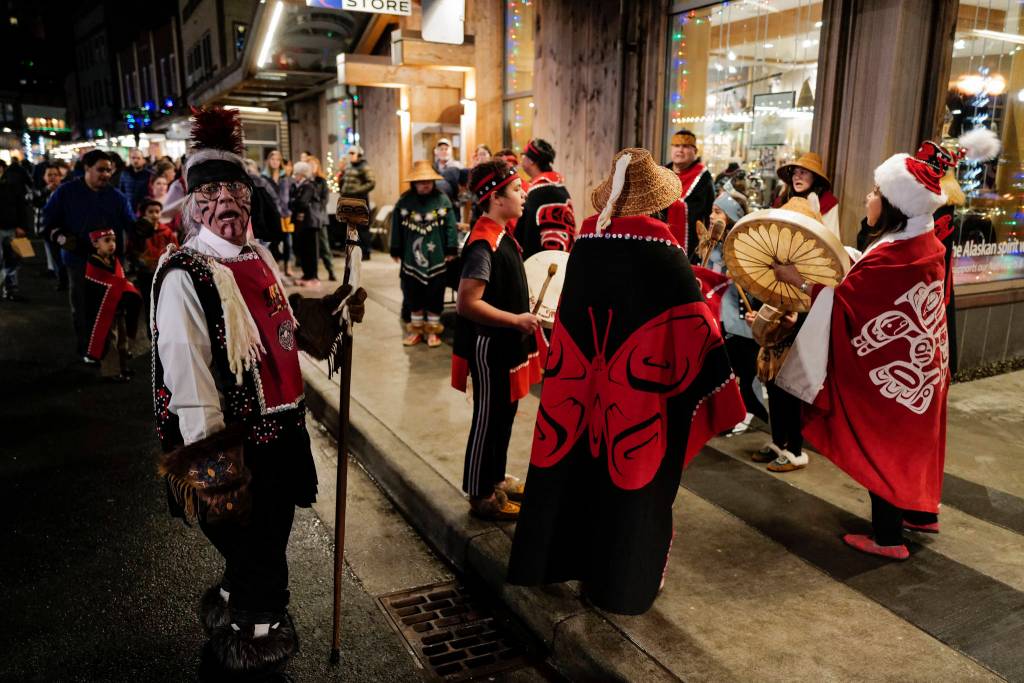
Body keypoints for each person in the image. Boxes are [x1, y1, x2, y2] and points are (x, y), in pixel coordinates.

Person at [507, 148, 746, 615]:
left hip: (580, 389)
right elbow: (697, 324)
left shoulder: (589, 239)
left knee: (579, 473)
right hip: (638, 395)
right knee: (636, 480)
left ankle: (567, 560)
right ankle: (620, 584)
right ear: (657, 202)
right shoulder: (662, 249)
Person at [151, 106, 321, 679]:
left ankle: (231, 597)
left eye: (236, 192)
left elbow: (280, 326)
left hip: (283, 430)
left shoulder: (258, 255)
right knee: (260, 547)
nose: (227, 204)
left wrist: (322, 325)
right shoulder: (185, 274)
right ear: (192, 203)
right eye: (212, 194)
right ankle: (256, 633)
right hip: (239, 443)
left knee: (266, 538)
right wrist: (215, 464)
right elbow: (188, 375)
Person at [773, 145, 951, 561]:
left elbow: (846, 304)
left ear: (894, 205)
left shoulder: (893, 254)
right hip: (923, 367)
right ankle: (920, 512)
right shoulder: (922, 243)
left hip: (890, 374)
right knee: (915, 442)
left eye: (875, 192)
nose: (869, 198)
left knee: (881, 441)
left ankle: (888, 538)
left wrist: (799, 280)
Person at [451, 159, 544, 520]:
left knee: (504, 414)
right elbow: (468, 303)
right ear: (496, 197)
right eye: (517, 190)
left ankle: (494, 478)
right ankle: (479, 493)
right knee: (488, 418)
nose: (523, 195)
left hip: (506, 343)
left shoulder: (502, 234)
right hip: (490, 346)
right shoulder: (482, 241)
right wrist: (515, 318)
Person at [42, 150, 136, 360]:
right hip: (78, 262)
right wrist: (61, 238)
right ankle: (88, 350)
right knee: (83, 308)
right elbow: (48, 223)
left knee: (113, 307)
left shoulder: (117, 197)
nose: (105, 175)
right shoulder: (66, 192)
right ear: (86, 168)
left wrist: (145, 230)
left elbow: (132, 225)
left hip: (110, 263)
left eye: (109, 171)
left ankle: (112, 348)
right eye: (100, 170)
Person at [702, 192, 769, 427]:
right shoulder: (710, 244)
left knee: (745, 372)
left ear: (731, 216)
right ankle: (725, 416)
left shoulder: (744, 247)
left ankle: (749, 412)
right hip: (715, 318)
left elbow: (757, 285)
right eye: (711, 210)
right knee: (722, 373)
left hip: (739, 321)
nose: (711, 216)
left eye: (718, 211)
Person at [390, 161, 459, 348]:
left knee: (435, 294)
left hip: (437, 258)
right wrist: (395, 248)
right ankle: (416, 330)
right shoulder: (404, 202)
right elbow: (396, 227)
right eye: (421, 181)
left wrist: (451, 248)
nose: (425, 184)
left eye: (428, 180)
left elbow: (451, 226)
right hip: (411, 260)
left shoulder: (443, 200)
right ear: (414, 183)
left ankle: (432, 332)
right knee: (412, 294)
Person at [84, 227, 140, 380]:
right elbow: (96, 291)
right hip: (105, 312)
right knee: (110, 343)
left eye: (114, 240)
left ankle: (123, 367)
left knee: (122, 340)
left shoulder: (114, 261)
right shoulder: (93, 264)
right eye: (107, 240)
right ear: (95, 244)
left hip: (118, 308)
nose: (112, 244)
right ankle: (112, 372)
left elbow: (121, 283)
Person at [515, 138, 576, 258]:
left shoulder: (537, 193)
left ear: (531, 160)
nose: (522, 160)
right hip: (563, 261)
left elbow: (525, 235)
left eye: (524, 156)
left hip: (540, 265)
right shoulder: (561, 189)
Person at [128, 198, 179, 329]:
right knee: (149, 305)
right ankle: (152, 337)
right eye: (150, 211)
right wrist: (140, 261)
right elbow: (131, 252)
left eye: (157, 211)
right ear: (144, 214)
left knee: (165, 304)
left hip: (163, 274)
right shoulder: (138, 233)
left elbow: (176, 250)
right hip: (145, 275)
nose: (154, 215)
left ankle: (165, 334)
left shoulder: (166, 232)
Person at [665, 129, 714, 259]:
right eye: (676, 145)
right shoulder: (662, 174)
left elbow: (709, 213)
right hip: (661, 241)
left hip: (691, 249)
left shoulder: (703, 178)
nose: (680, 150)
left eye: (686, 146)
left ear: (695, 151)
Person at [773, 152, 840, 237]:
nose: (797, 177)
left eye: (803, 172)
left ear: (814, 177)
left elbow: (832, 238)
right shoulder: (783, 199)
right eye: (794, 173)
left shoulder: (827, 201)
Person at [35, 162, 68, 290]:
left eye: (55, 175)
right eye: (49, 175)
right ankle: (62, 281)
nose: (52, 177)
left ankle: (70, 281)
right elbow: (30, 199)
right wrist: (46, 190)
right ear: (44, 177)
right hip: (48, 232)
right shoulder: (42, 192)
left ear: (61, 177)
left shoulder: (65, 192)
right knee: (57, 259)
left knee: (67, 257)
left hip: (64, 231)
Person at [339, 145, 376, 260]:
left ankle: (366, 252)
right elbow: (344, 180)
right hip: (348, 200)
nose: (350, 156)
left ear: (359, 155)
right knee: (351, 226)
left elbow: (371, 182)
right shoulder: (349, 166)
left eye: (352, 153)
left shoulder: (364, 166)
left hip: (360, 200)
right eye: (349, 153)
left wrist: (357, 190)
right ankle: (353, 251)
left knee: (362, 227)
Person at [289, 161, 322, 287]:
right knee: (303, 250)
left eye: (296, 174)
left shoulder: (308, 186)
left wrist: (294, 202)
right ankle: (306, 275)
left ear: (302, 174)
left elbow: (302, 203)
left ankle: (312, 277)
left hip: (310, 222)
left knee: (310, 251)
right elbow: (292, 203)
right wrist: (294, 202)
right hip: (302, 223)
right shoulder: (300, 186)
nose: (294, 176)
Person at [264, 149, 294, 275]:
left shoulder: (285, 178)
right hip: (271, 214)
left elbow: (290, 196)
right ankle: (273, 267)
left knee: (288, 242)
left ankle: (288, 266)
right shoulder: (264, 177)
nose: (275, 162)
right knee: (273, 242)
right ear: (268, 161)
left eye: (277, 159)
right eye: (273, 159)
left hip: (286, 214)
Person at [306, 156, 337, 281]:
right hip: (309, 219)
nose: (312, 167)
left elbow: (325, 199)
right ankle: (314, 274)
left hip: (321, 218)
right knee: (312, 248)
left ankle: (331, 270)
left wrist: (316, 205)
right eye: (309, 165)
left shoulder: (322, 181)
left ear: (317, 166)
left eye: (314, 165)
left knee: (324, 246)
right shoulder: (305, 181)